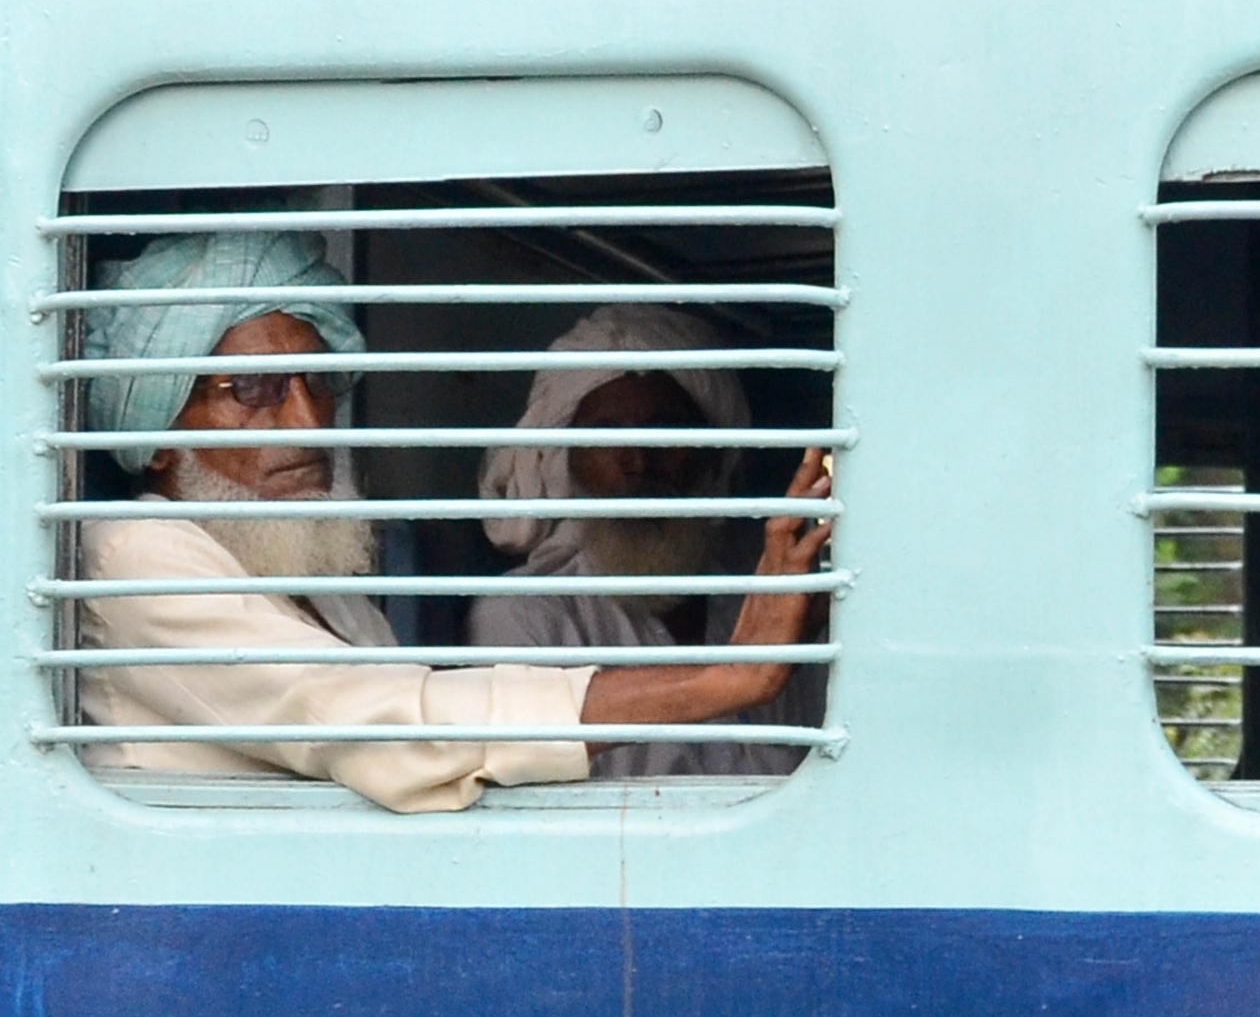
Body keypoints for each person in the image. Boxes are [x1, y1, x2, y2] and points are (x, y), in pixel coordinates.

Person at [75, 232, 831, 813]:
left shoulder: (304, 581)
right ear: (163, 435)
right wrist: (726, 680)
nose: (309, 424)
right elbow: (388, 729)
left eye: (322, 384)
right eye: (256, 390)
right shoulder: (136, 556)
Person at [468, 305, 826, 777]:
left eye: (667, 429)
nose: (637, 458)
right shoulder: (526, 617)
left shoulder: (771, 607)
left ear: (715, 456)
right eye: (605, 433)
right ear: (563, 462)